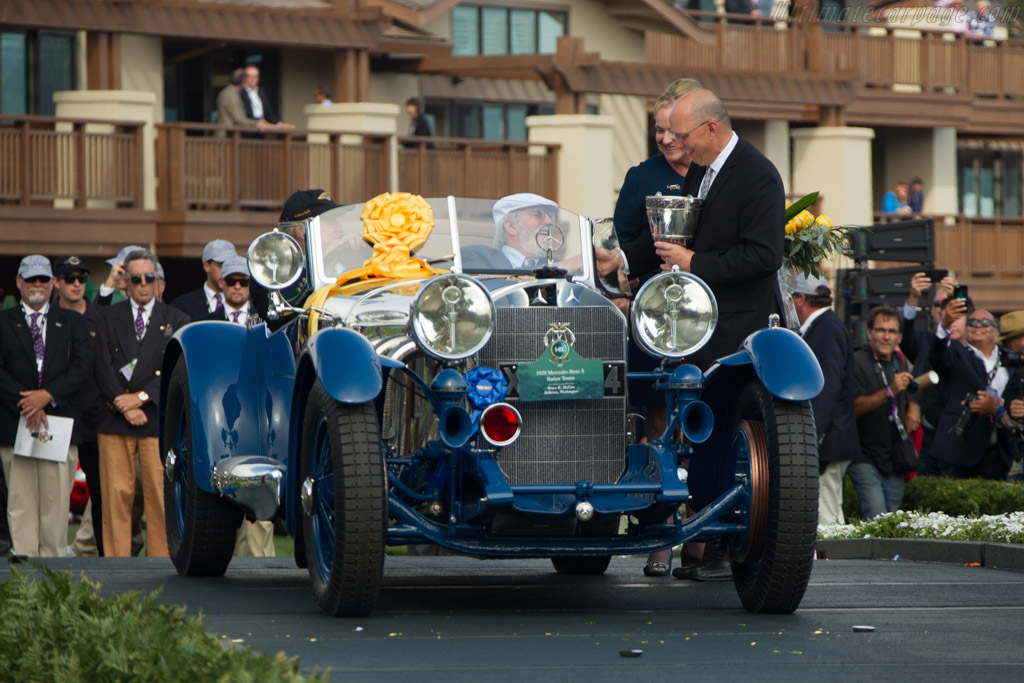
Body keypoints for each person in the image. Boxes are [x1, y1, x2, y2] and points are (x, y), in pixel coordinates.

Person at [607, 88, 785, 582]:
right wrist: (620, 259)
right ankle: (709, 538)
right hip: (701, 327)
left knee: (725, 433)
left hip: (736, 330)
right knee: (701, 432)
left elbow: (764, 257)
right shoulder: (710, 169)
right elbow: (679, 235)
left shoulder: (757, 174)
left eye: (682, 136)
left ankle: (727, 543)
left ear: (710, 129)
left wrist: (696, 265)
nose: (676, 146)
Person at [611, 77, 701, 578]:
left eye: (672, 130)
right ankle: (658, 533)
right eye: (657, 129)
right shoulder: (641, 175)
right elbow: (626, 240)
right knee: (655, 420)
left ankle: (704, 537)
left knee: (704, 416)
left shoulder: (714, 175)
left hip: (704, 314)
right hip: (650, 314)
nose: (665, 139)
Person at [95, 249, 189, 556]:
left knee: (160, 499)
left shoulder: (177, 319)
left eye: (150, 278)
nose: (144, 284)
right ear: (125, 282)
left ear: (158, 280)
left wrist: (140, 398)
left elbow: (175, 370)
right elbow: (101, 365)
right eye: (136, 279)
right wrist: (122, 405)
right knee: (116, 497)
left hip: (156, 421)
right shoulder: (107, 317)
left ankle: (162, 567)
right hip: (115, 420)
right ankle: (116, 569)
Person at [0, 255, 92, 557]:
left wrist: (47, 395)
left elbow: (82, 368)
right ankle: (25, 563)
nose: (36, 286)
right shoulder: (3, 320)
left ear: (53, 283)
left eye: (42, 280)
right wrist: (28, 401)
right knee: (21, 498)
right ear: (19, 283)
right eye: (30, 280)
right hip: (15, 422)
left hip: (60, 422)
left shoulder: (73, 322)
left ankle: (52, 566)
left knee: (55, 501)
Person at [792, 274, 860, 526]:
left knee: (825, 514)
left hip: (828, 438)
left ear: (801, 299)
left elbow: (826, 388)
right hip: (832, 437)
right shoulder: (828, 326)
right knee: (829, 509)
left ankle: (833, 565)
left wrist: (812, 438)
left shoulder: (826, 329)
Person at [930, 300, 1024, 480]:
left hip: (1002, 451)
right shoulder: (955, 353)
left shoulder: (1011, 360)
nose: (978, 325)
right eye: (972, 322)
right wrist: (945, 325)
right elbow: (937, 357)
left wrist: (1003, 406)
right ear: (966, 330)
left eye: (986, 322)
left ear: (996, 333)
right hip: (960, 449)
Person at [52, 255, 106, 555]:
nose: (76, 284)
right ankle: (52, 555)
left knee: (101, 492)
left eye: (81, 279)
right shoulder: (47, 316)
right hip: (59, 415)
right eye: (70, 278)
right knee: (56, 492)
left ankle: (103, 556)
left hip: (97, 416)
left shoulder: (102, 316)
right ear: (56, 282)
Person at [850, 306, 921, 519]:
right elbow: (854, 408)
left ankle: (886, 555)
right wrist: (889, 391)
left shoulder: (900, 361)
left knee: (891, 521)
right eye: (880, 330)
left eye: (892, 332)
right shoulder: (857, 362)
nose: (886, 336)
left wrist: (914, 405)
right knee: (875, 516)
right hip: (864, 455)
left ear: (899, 337)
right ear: (869, 333)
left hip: (895, 455)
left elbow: (910, 388)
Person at [898, 272, 957, 475]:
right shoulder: (925, 341)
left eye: (949, 303)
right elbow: (905, 338)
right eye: (938, 305)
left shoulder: (968, 344)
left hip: (962, 431)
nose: (943, 309)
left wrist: (956, 296)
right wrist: (913, 297)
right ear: (932, 311)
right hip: (928, 430)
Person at [461, 193, 560, 270]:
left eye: (552, 216)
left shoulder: (558, 265)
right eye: (539, 213)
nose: (549, 221)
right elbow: (492, 287)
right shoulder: (477, 257)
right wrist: (554, 271)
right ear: (511, 227)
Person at [170, 239, 238, 321]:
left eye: (231, 266)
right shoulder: (182, 305)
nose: (227, 271)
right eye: (222, 265)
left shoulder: (250, 304)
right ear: (207, 266)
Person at [216, 68, 275, 134]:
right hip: (227, 136)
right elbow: (238, 118)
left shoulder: (229, 92)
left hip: (230, 135)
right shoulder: (231, 94)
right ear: (243, 81)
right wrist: (257, 123)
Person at [240, 65, 295, 131]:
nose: (253, 79)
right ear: (245, 77)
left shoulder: (261, 92)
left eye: (255, 76)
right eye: (250, 76)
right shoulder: (241, 92)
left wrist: (279, 124)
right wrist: (256, 122)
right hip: (248, 127)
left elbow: (268, 113)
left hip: (263, 127)